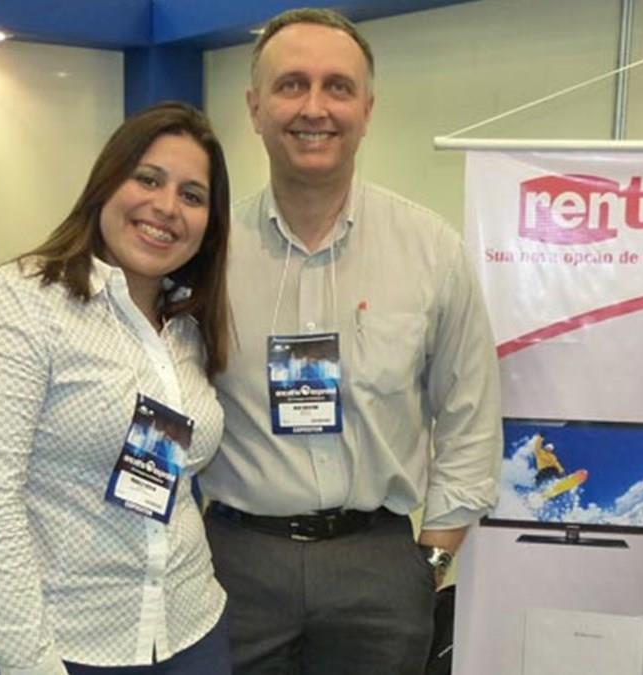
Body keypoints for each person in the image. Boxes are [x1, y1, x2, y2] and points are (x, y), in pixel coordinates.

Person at [197, 8, 502, 675]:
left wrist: (430, 560)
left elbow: (471, 416)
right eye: (291, 85)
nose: (315, 107)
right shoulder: (206, 252)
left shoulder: (431, 251)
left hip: (379, 569)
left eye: (338, 87)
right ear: (254, 107)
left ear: (367, 108)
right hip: (234, 565)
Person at [0, 102, 232, 675]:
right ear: (106, 183)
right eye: (147, 179)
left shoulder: (187, 325)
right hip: (56, 645)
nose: (166, 207)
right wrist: (33, 664)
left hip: (190, 629)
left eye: (192, 195)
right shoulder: (19, 302)